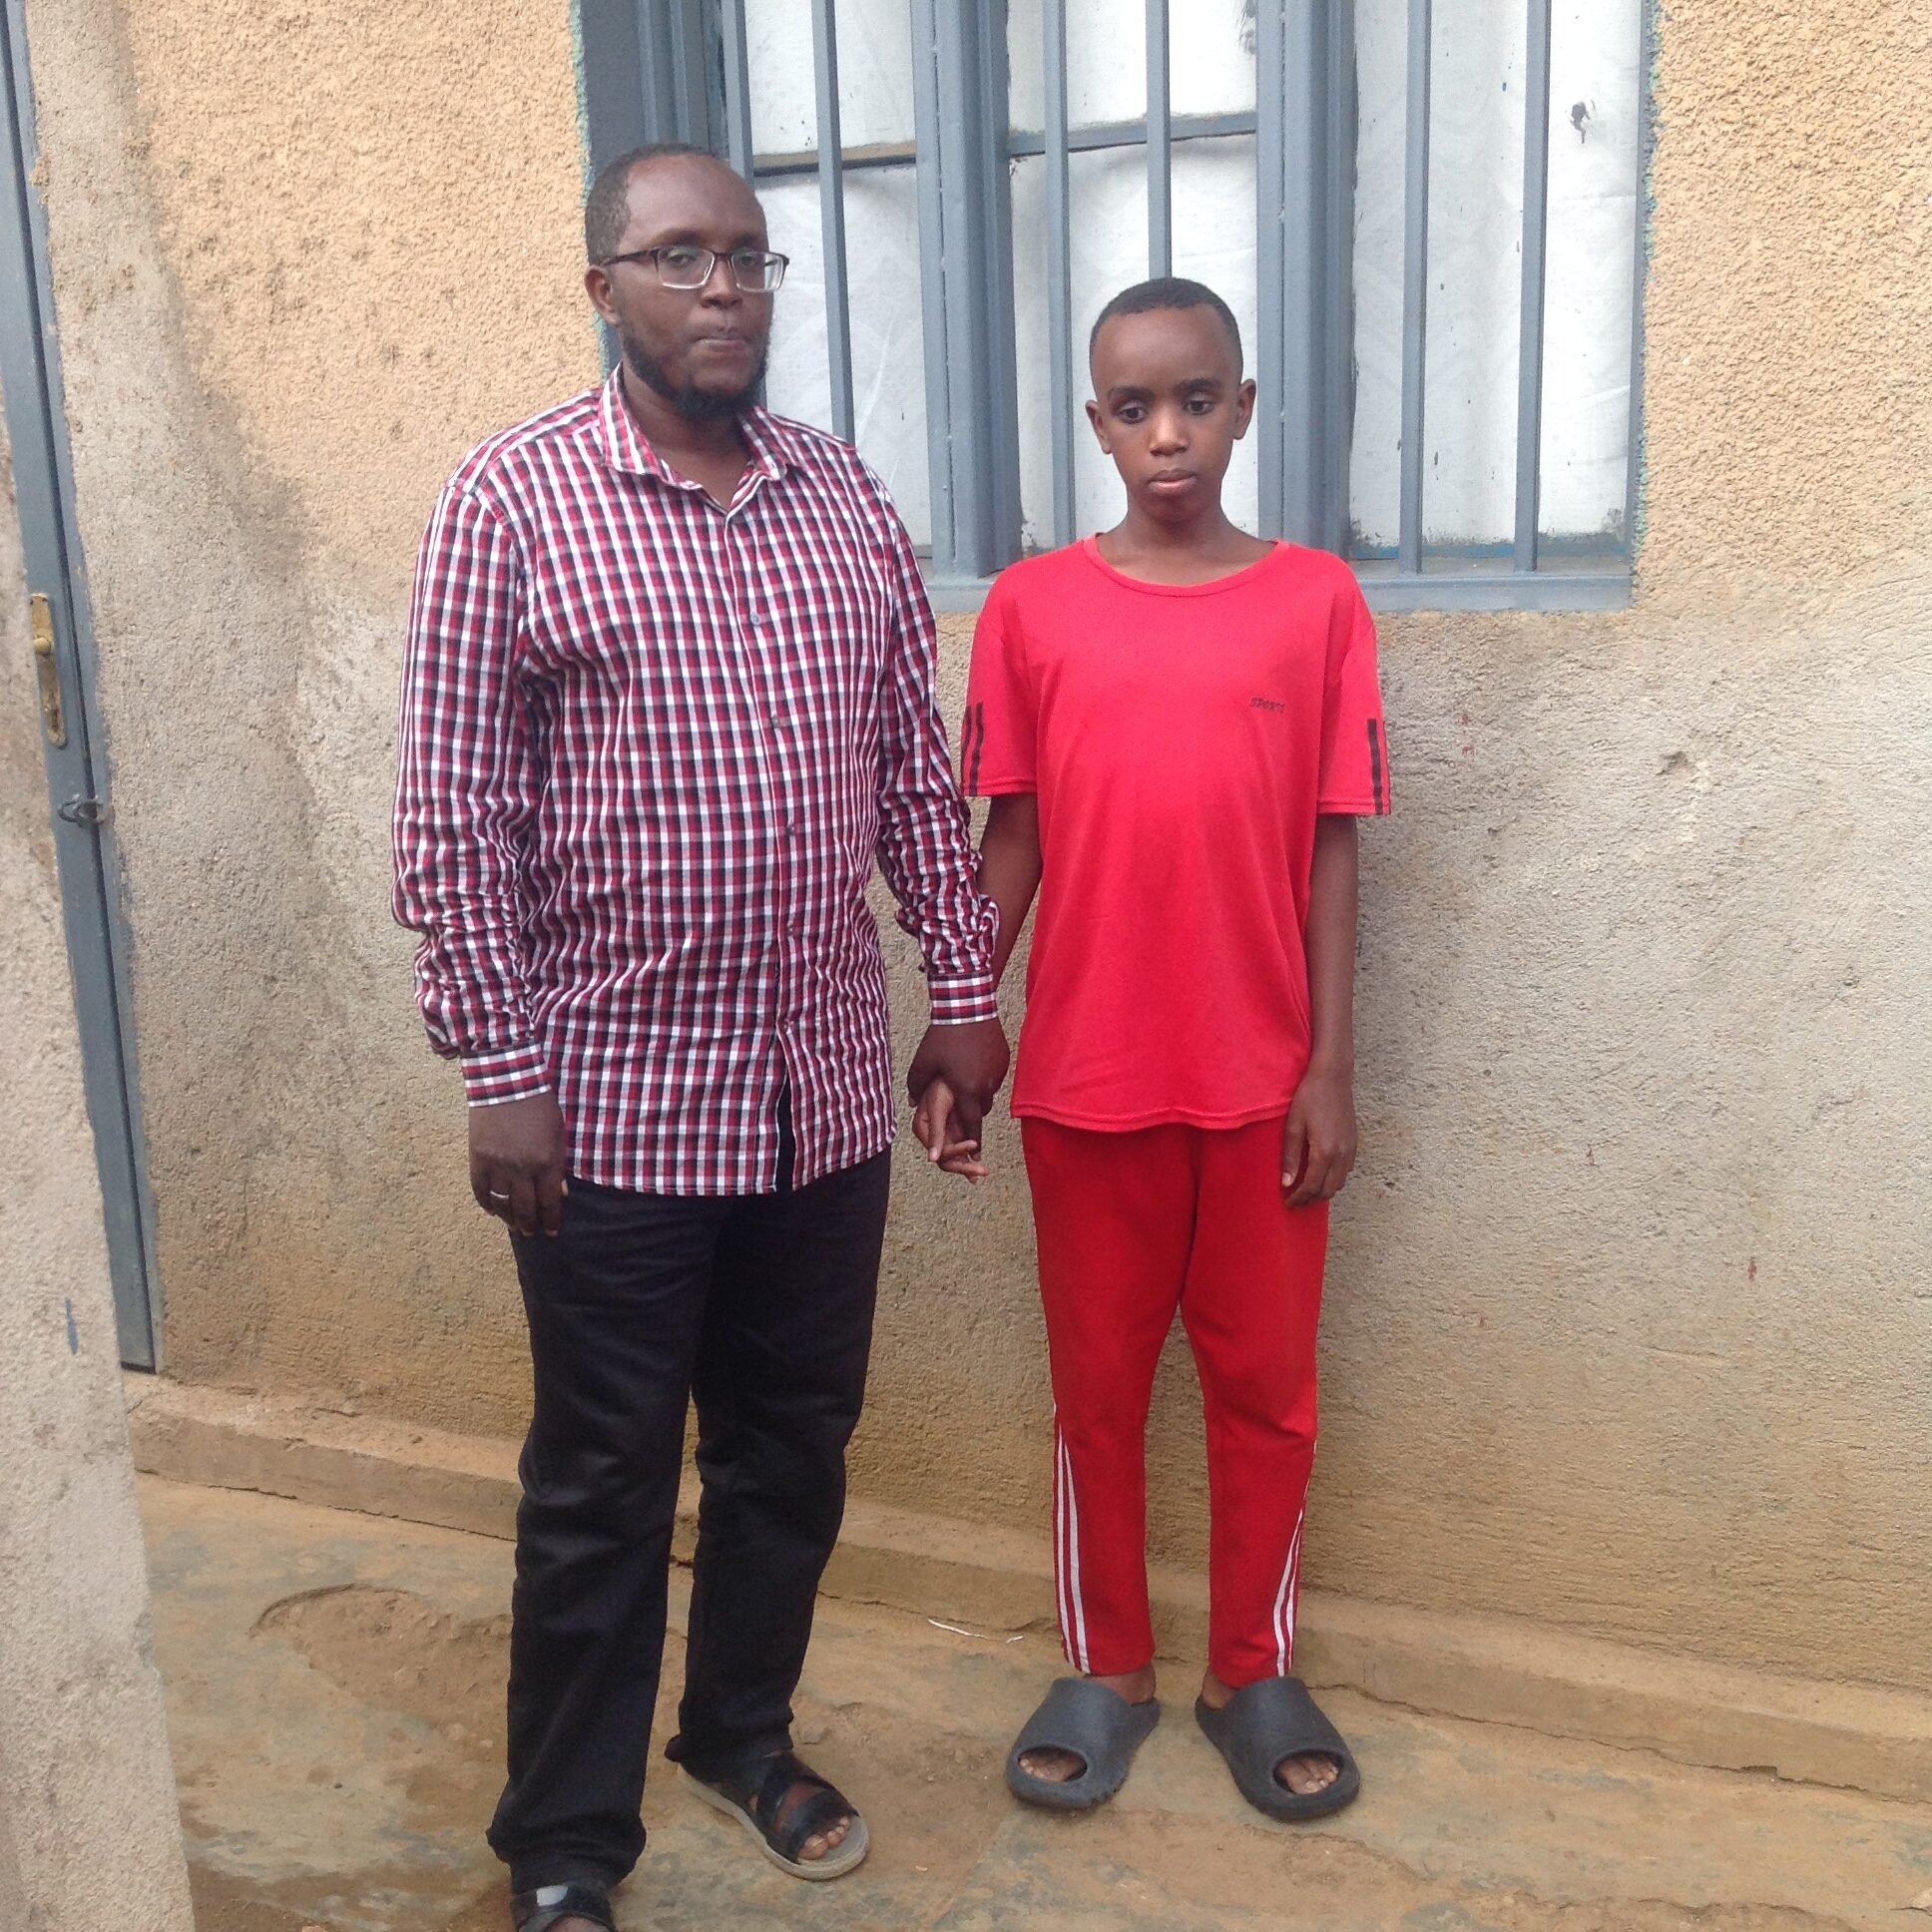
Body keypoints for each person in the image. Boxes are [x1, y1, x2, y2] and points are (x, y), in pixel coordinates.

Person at [392, 144, 1008, 1932]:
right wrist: (501, 1072)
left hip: (819, 1098)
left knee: (794, 1450)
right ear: (607, 290)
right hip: (610, 1112)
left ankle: (739, 1733)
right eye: (679, 258)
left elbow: (911, 775)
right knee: (599, 1483)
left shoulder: (841, 500)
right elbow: (455, 821)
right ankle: (567, 1845)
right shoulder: (510, 504)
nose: (724, 288)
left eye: (751, 257)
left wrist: (961, 989)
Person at [917, 276, 1389, 1825]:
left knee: (1269, 1392)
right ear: (1098, 424)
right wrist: (959, 1012)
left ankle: (1252, 1668)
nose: (1168, 435)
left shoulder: (1315, 603)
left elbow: (1331, 851)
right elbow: (1014, 839)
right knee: (1098, 1390)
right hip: (1091, 1085)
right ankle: (1105, 1665)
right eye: (1135, 408)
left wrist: (1325, 1064)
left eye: (1197, 401)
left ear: (1244, 407)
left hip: (1264, 1091)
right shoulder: (1036, 611)